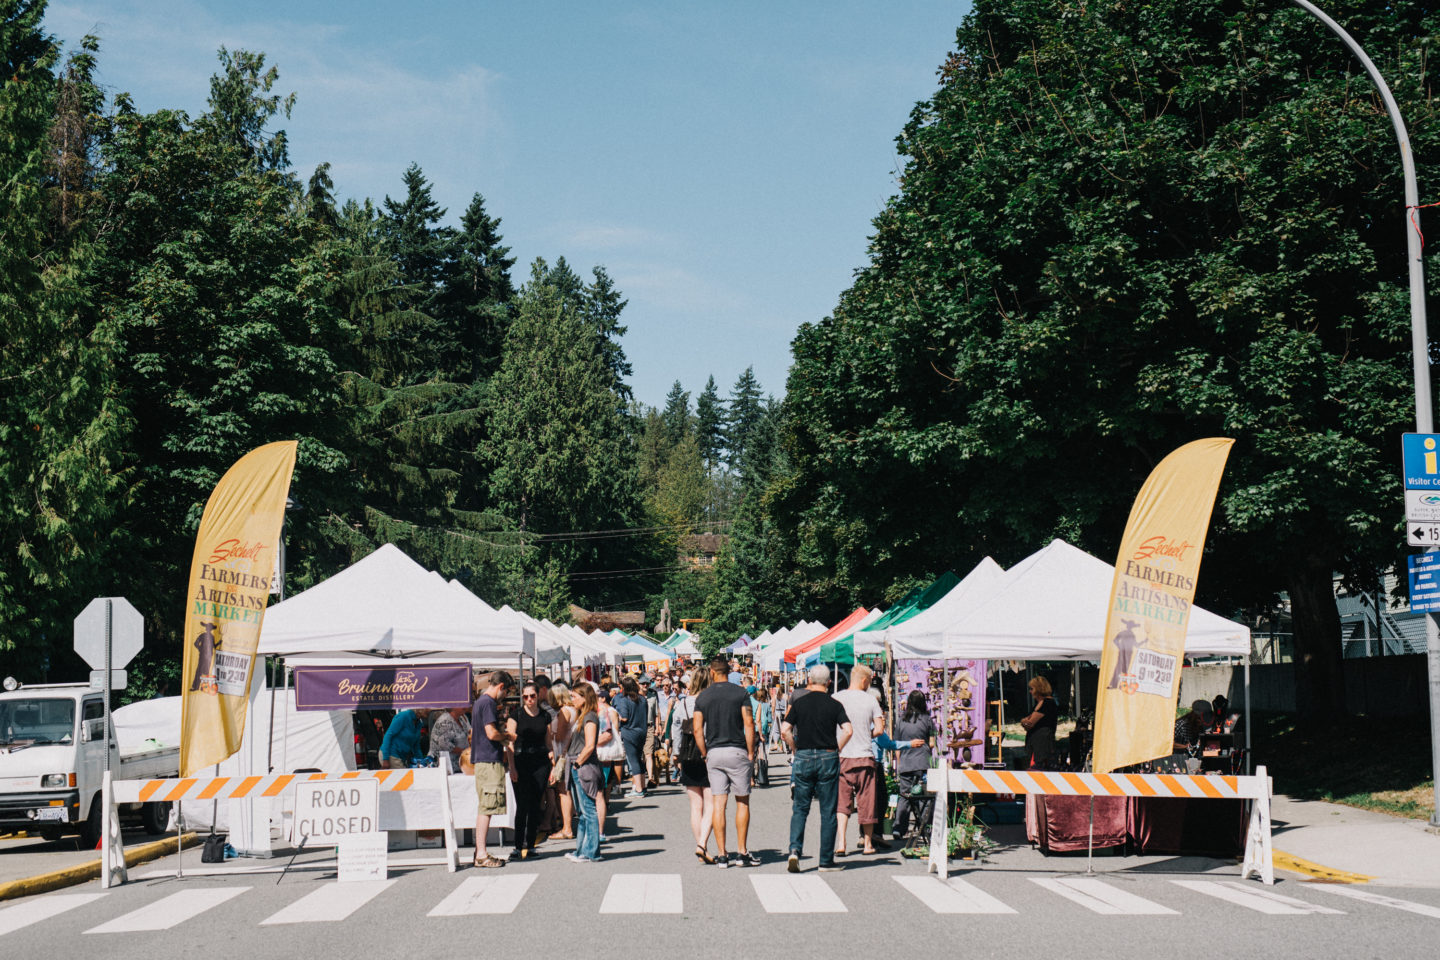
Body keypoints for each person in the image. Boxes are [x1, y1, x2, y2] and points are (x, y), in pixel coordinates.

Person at [781, 664, 852, 873]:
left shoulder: (799, 703)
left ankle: (794, 850)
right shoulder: (834, 704)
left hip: (803, 755)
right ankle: (825, 861)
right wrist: (836, 748)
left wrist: (795, 748)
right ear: (829, 683)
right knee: (828, 810)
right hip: (828, 756)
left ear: (810, 681)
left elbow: (785, 730)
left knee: (800, 808)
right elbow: (848, 730)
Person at [694, 654, 758, 867]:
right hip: (737, 749)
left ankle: (722, 854)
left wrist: (704, 753)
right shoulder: (740, 693)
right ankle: (742, 852)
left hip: (714, 752)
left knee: (719, 803)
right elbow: (749, 722)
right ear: (729, 672)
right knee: (742, 801)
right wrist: (750, 752)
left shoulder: (703, 697)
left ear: (711, 672)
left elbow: (697, 729)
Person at [833, 664, 884, 856]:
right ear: (864, 680)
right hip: (864, 756)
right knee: (867, 801)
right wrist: (866, 733)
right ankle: (868, 844)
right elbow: (879, 730)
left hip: (843, 756)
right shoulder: (871, 700)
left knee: (842, 803)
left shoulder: (836, 698)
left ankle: (841, 842)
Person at [470, 670, 515, 868]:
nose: (504, 697)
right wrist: (507, 736)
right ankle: (481, 853)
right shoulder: (488, 702)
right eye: (505, 692)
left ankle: (480, 851)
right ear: (501, 687)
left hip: (483, 759)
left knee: (486, 806)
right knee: (487, 807)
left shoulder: (480, 702)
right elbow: (490, 733)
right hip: (488, 759)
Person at [506, 681, 550, 859]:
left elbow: (549, 742)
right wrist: (512, 767)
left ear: (538, 695)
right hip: (521, 760)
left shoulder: (545, 715)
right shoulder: (515, 714)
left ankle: (530, 845)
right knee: (522, 805)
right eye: (525, 697)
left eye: (532, 696)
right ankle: (517, 846)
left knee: (535, 804)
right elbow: (510, 742)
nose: (529, 699)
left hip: (540, 762)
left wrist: (553, 764)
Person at [675, 667, 715, 863]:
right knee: (711, 804)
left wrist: (676, 754)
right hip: (708, 752)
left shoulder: (682, 703)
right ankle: (702, 844)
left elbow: (676, 729)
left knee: (695, 806)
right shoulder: (710, 703)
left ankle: (701, 846)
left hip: (688, 753)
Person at [564, 684, 604, 862]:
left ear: (584, 697)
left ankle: (591, 851)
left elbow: (589, 745)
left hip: (583, 766)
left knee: (588, 810)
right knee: (582, 811)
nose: (572, 700)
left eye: (574, 696)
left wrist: (578, 762)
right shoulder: (583, 716)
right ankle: (581, 850)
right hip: (578, 764)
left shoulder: (589, 717)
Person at [891, 690, 936, 842]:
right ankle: (925, 827)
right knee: (924, 797)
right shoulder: (928, 720)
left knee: (904, 796)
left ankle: (898, 828)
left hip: (906, 763)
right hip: (922, 762)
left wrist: (899, 763)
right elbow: (931, 743)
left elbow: (896, 745)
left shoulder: (901, 720)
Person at [547, 683, 575, 840]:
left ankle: (567, 827)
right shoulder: (572, 709)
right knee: (564, 790)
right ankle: (566, 825)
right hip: (567, 753)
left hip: (562, 754)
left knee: (563, 791)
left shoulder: (564, 711)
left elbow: (560, 736)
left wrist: (551, 732)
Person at [616, 675, 650, 798]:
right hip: (642, 731)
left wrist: (616, 716)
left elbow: (624, 717)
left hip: (629, 731)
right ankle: (643, 786)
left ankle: (639, 789)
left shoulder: (624, 700)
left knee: (633, 759)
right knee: (639, 758)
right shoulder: (643, 699)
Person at [1019, 675, 1058, 769]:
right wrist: (1025, 722)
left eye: (1032, 689)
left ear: (1039, 689)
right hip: (1036, 744)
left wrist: (1024, 721)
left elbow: (1029, 723)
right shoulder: (1040, 704)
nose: (1030, 691)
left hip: (1042, 746)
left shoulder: (1047, 703)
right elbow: (1027, 722)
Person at [427, 706, 470, 772]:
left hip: (458, 765)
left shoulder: (461, 719)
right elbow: (444, 745)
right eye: (460, 704)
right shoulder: (445, 720)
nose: (464, 706)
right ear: (453, 707)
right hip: (445, 767)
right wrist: (466, 753)